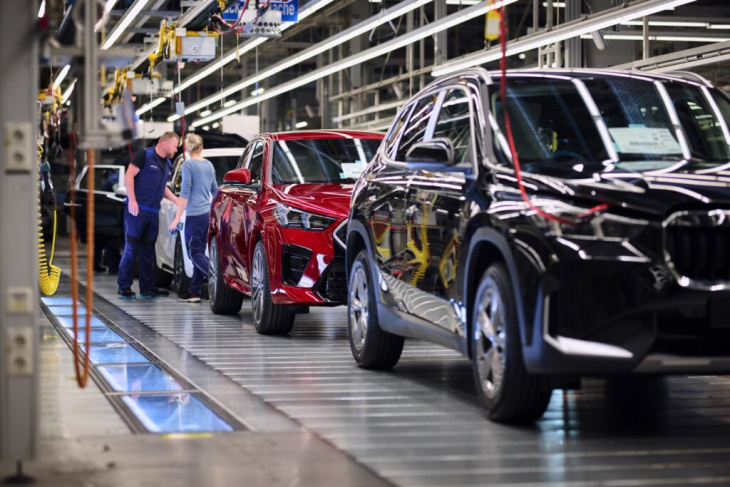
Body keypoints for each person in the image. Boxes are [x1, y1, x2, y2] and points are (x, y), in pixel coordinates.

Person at [117, 132, 180, 299]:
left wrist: (174, 198)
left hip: (153, 213)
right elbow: (129, 175)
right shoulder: (145, 155)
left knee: (148, 251)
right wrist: (132, 200)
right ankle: (124, 286)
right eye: (174, 145)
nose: (176, 148)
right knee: (131, 249)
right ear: (165, 144)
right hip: (136, 211)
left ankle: (147, 288)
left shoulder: (167, 164)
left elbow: (162, 187)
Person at [170, 133, 218, 303]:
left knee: (194, 253)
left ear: (187, 148)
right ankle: (194, 291)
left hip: (194, 215)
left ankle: (218, 279)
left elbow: (184, 192)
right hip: (207, 215)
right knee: (199, 252)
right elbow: (215, 191)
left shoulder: (188, 165)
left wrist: (176, 218)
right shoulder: (209, 165)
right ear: (201, 146)